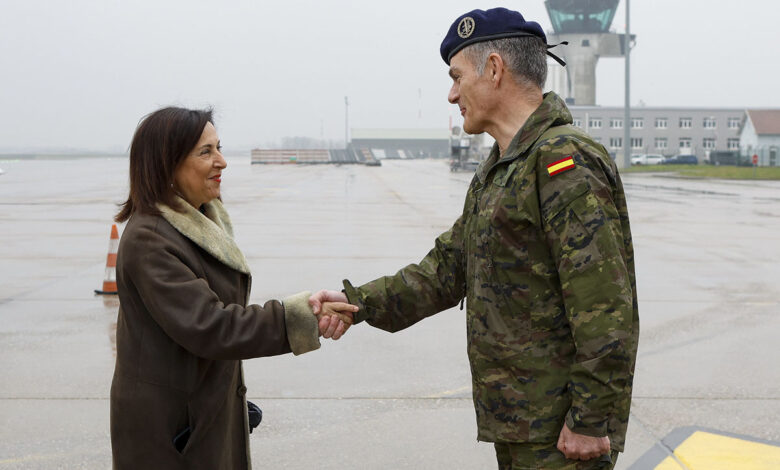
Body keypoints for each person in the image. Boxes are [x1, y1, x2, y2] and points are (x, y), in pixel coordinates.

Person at [312, 7, 638, 469]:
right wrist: (356, 302)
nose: (450, 94)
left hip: (561, 432)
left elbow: (605, 306)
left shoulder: (561, 162)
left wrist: (590, 418)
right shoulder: (502, 168)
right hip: (522, 422)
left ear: (494, 69)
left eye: (456, 76)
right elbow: (446, 270)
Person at [110, 106, 355, 469]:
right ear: (167, 163)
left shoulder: (197, 224)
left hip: (200, 417)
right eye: (205, 151)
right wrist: (303, 316)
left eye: (219, 148)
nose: (222, 161)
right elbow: (212, 325)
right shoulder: (151, 238)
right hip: (169, 433)